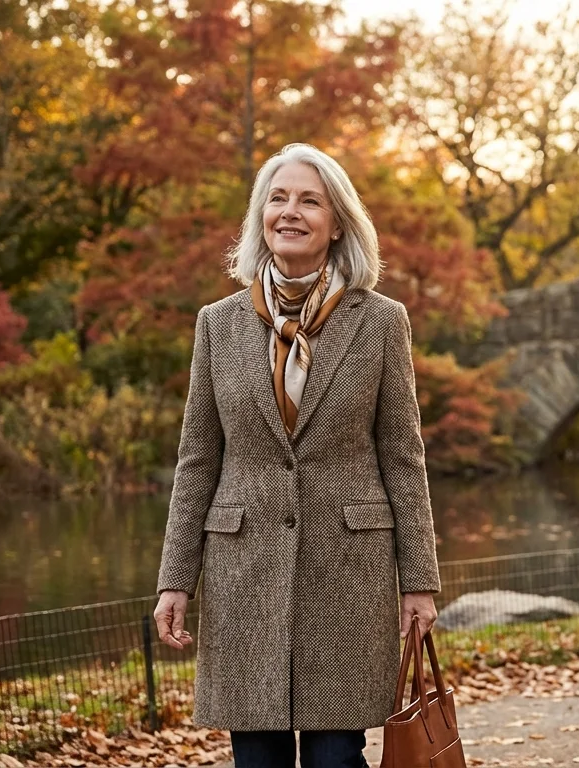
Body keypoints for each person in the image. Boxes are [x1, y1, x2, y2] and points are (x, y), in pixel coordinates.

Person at [152, 142, 441, 768]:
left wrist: (419, 583)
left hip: (350, 577)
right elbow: (197, 459)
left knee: (338, 759)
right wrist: (176, 579)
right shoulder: (218, 324)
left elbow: (403, 457)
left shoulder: (381, 322)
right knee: (256, 760)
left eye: (309, 200)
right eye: (277, 199)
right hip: (242, 574)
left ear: (337, 223)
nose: (291, 211)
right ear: (260, 216)